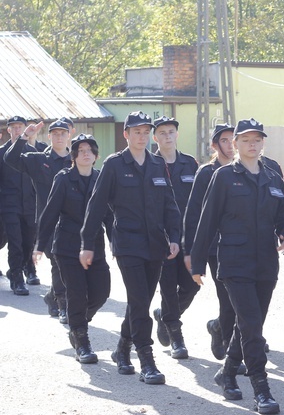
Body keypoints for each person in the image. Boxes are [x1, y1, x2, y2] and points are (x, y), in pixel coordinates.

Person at [190, 118, 284, 413]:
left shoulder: (273, 177)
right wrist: (196, 262)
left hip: (265, 263)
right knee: (251, 326)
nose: (252, 144)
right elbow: (207, 220)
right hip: (235, 263)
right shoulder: (223, 177)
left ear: (263, 143)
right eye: (246, 140)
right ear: (234, 144)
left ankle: (226, 373)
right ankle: (261, 389)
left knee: (250, 323)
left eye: (257, 140)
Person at [80, 111, 182, 385]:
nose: (142, 136)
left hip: (155, 245)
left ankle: (122, 349)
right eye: (136, 131)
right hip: (127, 243)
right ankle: (146, 359)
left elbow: (169, 204)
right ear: (126, 135)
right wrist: (87, 244)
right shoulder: (115, 164)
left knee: (142, 301)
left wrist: (174, 235)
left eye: (145, 131)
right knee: (139, 300)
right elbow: (96, 205)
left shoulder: (158, 165)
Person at [34, 134, 111, 364]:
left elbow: (109, 214)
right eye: (81, 150)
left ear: (96, 156)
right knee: (77, 293)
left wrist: (118, 240)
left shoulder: (101, 179)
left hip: (95, 247)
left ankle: (77, 322)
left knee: (101, 292)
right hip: (67, 248)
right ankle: (82, 341)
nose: (86, 153)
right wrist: (39, 245)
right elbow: (50, 213)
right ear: (74, 156)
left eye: (90, 150)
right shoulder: (64, 179)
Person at [5, 119, 72, 319]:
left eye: (63, 133)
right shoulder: (37, 159)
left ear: (69, 135)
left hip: (73, 222)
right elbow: (11, 159)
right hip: (48, 223)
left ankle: (53, 296)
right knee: (57, 262)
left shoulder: (76, 158)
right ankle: (62, 304)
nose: (59, 137)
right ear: (49, 137)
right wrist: (24, 137)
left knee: (70, 265)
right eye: (55, 133)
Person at [183, 123, 238, 364]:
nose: (230, 145)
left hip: (243, 246)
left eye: (233, 139)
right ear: (215, 146)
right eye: (224, 140)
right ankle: (229, 347)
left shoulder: (245, 169)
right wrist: (191, 251)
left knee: (241, 301)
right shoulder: (207, 173)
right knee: (228, 299)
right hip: (216, 248)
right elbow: (194, 213)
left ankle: (220, 327)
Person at [150, 116, 200, 360]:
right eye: (162, 132)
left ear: (177, 135)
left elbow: (200, 201)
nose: (167, 136)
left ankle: (166, 316)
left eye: (171, 132)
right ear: (155, 137)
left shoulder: (190, 164)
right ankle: (177, 338)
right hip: (161, 238)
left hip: (187, 237)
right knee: (168, 287)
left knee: (192, 284)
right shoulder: (148, 164)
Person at [0, 116, 39, 296]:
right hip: (9, 205)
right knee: (14, 243)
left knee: (27, 243)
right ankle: (17, 278)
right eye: (13, 127)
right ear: (8, 130)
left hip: (30, 205)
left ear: (25, 129)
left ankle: (18, 268)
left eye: (20, 127)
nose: (17, 130)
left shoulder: (33, 153)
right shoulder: (2, 153)